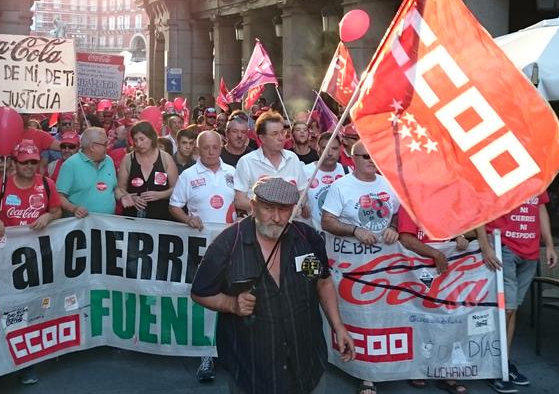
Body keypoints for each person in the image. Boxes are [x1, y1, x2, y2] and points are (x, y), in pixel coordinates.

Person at [191, 177, 355, 394]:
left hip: (307, 367)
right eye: (268, 208)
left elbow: (322, 282)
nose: (277, 218)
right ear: (253, 206)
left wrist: (338, 326)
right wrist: (231, 304)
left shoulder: (306, 239)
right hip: (253, 374)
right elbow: (199, 293)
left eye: (284, 210)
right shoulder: (227, 244)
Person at [319, 142, 400, 394]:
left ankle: (380, 368)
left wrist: (393, 228)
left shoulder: (389, 184)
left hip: (383, 265)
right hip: (349, 266)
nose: (371, 160)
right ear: (352, 158)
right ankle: (363, 373)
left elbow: (397, 214)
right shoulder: (341, 186)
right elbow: (327, 221)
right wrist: (355, 230)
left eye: (375, 155)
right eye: (366, 156)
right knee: (357, 317)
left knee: (382, 316)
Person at [0, 139, 61, 386]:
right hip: (5, 258)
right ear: (14, 164)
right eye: (25, 162)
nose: (29, 166)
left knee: (32, 309)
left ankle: (28, 363)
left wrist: (48, 215)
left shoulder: (47, 185)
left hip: (37, 258)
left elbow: (57, 211)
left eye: (34, 162)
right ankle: (2, 359)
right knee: (7, 308)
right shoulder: (1, 186)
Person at [396, 206, 489, 394]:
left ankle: (447, 372)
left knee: (448, 320)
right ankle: (419, 369)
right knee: (421, 318)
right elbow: (406, 239)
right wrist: (435, 253)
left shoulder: (444, 202)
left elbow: (459, 230)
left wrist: (459, 238)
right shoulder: (409, 203)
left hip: (447, 270)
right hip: (418, 271)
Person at [169, 130, 237, 383]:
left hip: (231, 246)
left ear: (221, 146)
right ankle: (205, 355)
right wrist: (188, 218)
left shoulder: (233, 172)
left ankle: (230, 351)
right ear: (198, 150)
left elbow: (242, 202)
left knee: (232, 297)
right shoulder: (188, 176)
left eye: (215, 147)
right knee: (207, 298)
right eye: (206, 148)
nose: (211, 152)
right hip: (201, 248)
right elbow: (174, 205)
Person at [481, 192, 556, 394]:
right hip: (505, 248)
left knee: (512, 309)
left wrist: (549, 245)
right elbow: (480, 207)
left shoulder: (537, 174)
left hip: (530, 252)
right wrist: (485, 246)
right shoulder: (498, 172)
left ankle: (503, 362)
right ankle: (496, 367)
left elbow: (540, 208)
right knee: (506, 309)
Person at [233, 112, 308, 217]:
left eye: (283, 132)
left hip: (290, 226)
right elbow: (239, 201)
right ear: (262, 138)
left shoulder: (293, 158)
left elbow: (303, 192)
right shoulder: (247, 162)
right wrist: (270, 209)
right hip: (259, 227)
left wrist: (298, 206)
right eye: (275, 134)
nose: (281, 138)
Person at [117, 121, 179, 220]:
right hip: (132, 218)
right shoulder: (128, 159)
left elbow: (176, 188)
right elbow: (120, 188)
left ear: (151, 137)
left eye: (142, 139)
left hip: (160, 219)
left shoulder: (165, 158)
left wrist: (160, 195)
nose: (138, 144)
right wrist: (129, 197)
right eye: (135, 140)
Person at [56, 127, 117, 217]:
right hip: (81, 226)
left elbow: (115, 188)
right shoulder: (70, 165)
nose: (107, 147)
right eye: (105, 144)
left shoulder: (109, 161)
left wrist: (124, 196)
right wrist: (74, 208)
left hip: (107, 226)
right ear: (92, 147)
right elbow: (58, 196)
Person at [303, 132, 348, 229]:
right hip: (313, 234)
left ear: (340, 150)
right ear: (317, 149)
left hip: (340, 236)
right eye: (325, 148)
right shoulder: (304, 172)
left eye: (334, 148)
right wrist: (300, 205)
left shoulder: (348, 172)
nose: (330, 153)